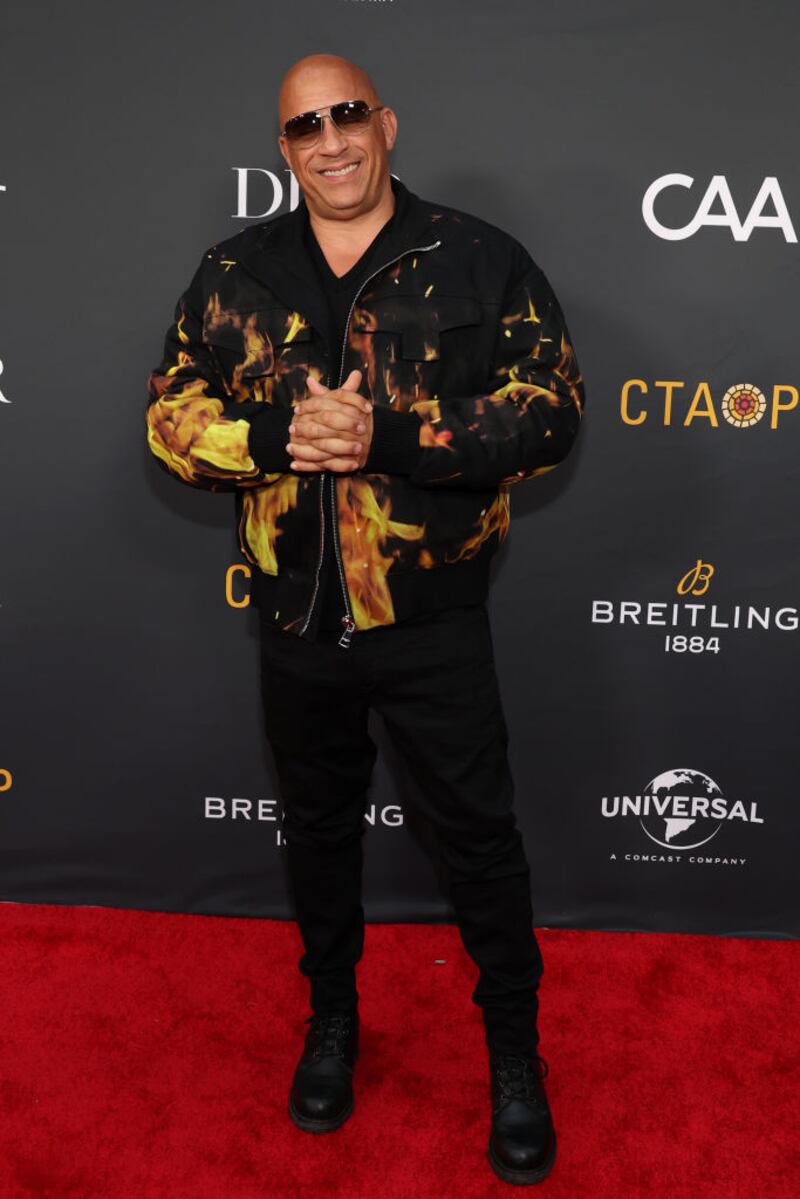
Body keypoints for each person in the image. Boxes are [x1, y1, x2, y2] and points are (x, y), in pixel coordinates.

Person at [145, 52, 585, 1187]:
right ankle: (330, 1021)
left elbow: (548, 411)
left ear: (384, 124)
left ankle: (513, 1056)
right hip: (295, 626)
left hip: (431, 620)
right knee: (321, 837)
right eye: (305, 126)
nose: (331, 140)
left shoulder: (477, 258)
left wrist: (381, 439)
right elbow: (169, 415)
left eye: (348, 115)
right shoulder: (231, 271)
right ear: (283, 148)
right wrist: (275, 440)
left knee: (480, 847)